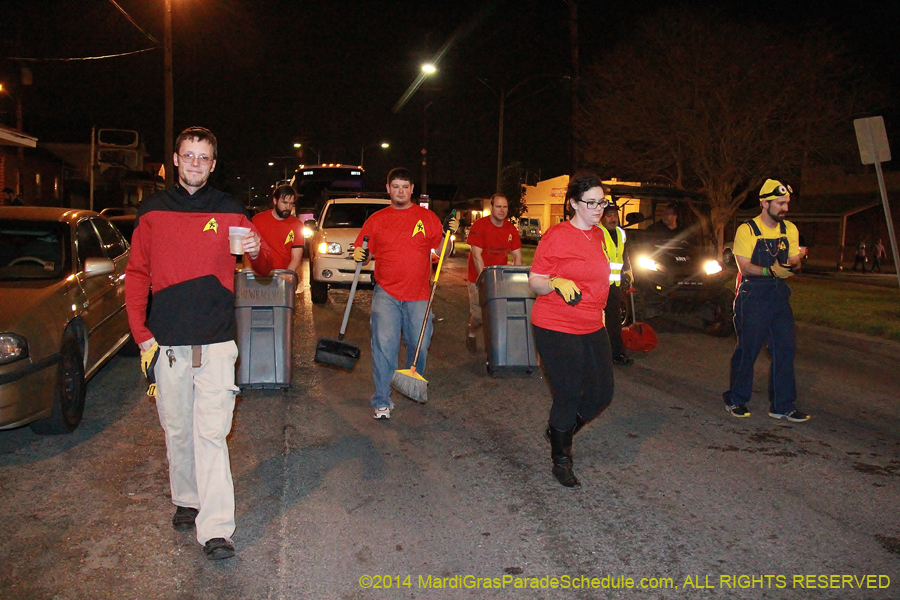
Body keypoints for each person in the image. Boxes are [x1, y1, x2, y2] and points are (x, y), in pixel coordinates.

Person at [125, 126, 273, 560]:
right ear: (175, 160)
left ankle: (215, 530)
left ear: (212, 163)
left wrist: (257, 246)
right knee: (178, 429)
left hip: (216, 342)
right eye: (187, 156)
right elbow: (136, 275)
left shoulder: (229, 208)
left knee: (211, 433)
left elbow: (262, 266)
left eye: (203, 158)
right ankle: (187, 499)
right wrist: (142, 335)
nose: (195, 164)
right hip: (166, 344)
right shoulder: (151, 211)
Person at [528, 173, 615, 488]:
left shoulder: (600, 235)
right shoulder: (556, 235)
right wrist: (555, 282)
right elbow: (535, 281)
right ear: (573, 204)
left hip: (592, 322)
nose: (598, 209)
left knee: (602, 392)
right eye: (591, 203)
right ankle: (561, 459)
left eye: (601, 202)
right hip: (556, 324)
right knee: (567, 392)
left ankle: (558, 431)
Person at [353, 168, 458, 420]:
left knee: (419, 346)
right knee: (384, 346)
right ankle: (382, 399)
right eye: (395, 186)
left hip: (420, 294)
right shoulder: (377, 219)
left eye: (405, 186)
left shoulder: (427, 217)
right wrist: (360, 254)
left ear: (412, 190)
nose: (400, 191)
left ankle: (411, 381)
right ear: (388, 189)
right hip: (386, 293)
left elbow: (444, 250)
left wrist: (448, 234)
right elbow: (363, 248)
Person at [723, 178, 809, 423]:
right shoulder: (747, 230)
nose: (785, 208)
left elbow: (794, 259)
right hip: (753, 294)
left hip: (779, 294)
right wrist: (770, 271)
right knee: (748, 349)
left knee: (785, 348)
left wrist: (792, 266)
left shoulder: (789, 229)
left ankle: (783, 405)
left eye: (787, 203)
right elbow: (744, 266)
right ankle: (736, 399)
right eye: (780, 203)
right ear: (764, 203)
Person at [465, 193, 523, 353]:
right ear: (491, 208)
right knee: (479, 316)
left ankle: (496, 348)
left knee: (497, 314)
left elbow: (517, 255)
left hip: (500, 279)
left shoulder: (511, 229)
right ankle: (471, 331)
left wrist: (515, 279)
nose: (502, 210)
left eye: (505, 207)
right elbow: (476, 255)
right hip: (478, 277)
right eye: (498, 206)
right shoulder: (479, 226)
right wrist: (484, 278)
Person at [599, 201, 634, 366]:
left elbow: (624, 255)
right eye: (609, 215)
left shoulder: (621, 234)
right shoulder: (596, 232)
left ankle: (616, 353)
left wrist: (628, 271)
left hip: (613, 285)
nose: (613, 219)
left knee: (614, 321)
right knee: (593, 321)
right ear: (602, 217)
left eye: (615, 215)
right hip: (596, 285)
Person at [247, 184, 304, 274]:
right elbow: (247, 251)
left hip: (283, 274)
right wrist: (248, 274)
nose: (288, 207)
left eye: (291, 204)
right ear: (275, 201)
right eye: (284, 203)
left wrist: (288, 275)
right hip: (259, 276)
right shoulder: (257, 220)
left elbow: (296, 257)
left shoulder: (297, 225)